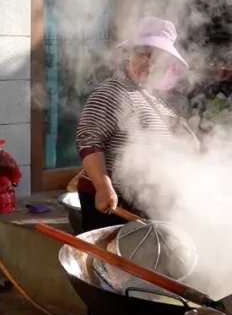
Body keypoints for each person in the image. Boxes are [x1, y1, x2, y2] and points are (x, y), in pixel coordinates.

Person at [74, 16, 198, 233]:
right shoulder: (112, 91)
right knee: (110, 264)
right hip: (114, 203)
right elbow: (88, 137)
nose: (150, 64)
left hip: (144, 202)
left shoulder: (153, 98)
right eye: (144, 55)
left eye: (158, 59)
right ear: (130, 54)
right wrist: (103, 187)